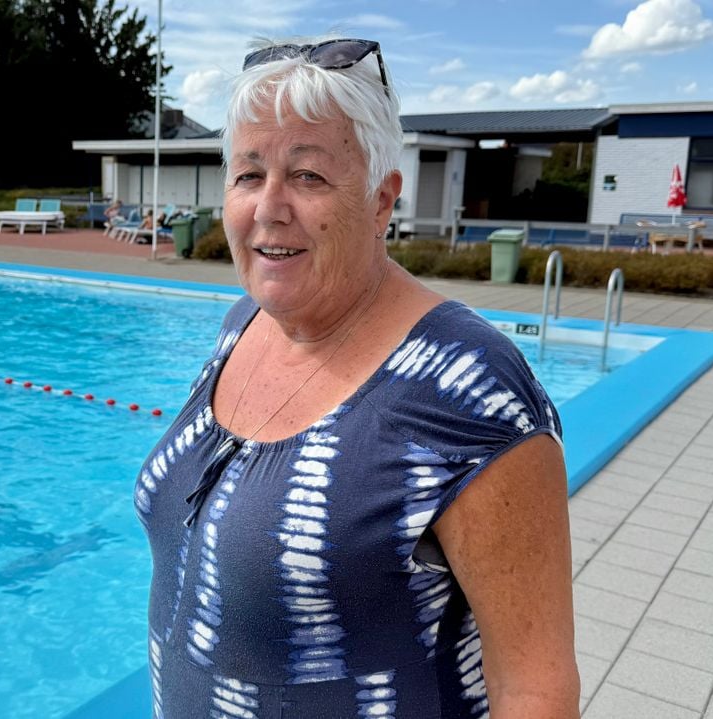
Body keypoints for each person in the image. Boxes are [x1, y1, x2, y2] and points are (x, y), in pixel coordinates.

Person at [134, 37, 579, 718]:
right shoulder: (243, 324)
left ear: (380, 201)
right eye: (248, 174)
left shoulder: (469, 389)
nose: (269, 207)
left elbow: (536, 691)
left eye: (308, 175)